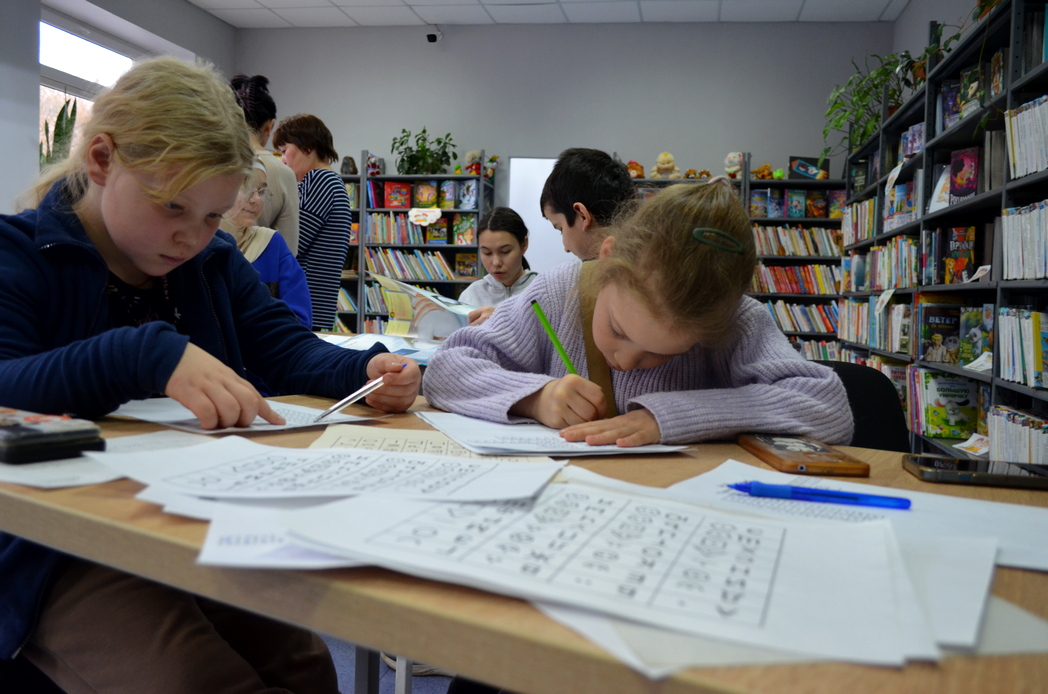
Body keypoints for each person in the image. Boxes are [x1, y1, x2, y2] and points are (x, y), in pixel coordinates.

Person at [0, 57, 421, 694]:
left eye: (212, 215)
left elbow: (285, 349)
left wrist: (365, 367)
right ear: (102, 160)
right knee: (195, 678)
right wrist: (145, 354)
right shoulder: (20, 254)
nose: (191, 237)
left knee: (306, 665)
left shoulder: (212, 258)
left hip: (195, 518)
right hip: (55, 545)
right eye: (173, 206)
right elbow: (8, 387)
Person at [424, 179, 853, 447]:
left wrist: (672, 417)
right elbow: (446, 369)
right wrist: (536, 398)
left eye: (662, 354)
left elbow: (827, 407)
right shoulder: (557, 293)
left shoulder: (735, 320)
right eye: (618, 329)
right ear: (607, 259)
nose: (626, 361)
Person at [272, 114, 352, 332]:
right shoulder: (329, 181)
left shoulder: (319, 180)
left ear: (307, 147)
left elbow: (292, 243)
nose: (283, 160)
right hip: (313, 306)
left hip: (305, 305)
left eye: (284, 151)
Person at [222, 158, 312, 328]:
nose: (256, 199)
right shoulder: (197, 246)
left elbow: (300, 318)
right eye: (246, 188)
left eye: (262, 191)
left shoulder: (271, 243)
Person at [230, 74, 301, 255]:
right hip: (259, 271)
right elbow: (288, 251)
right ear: (269, 126)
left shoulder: (209, 163)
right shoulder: (283, 173)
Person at [539, 147, 635, 260]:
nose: (566, 248)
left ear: (583, 215)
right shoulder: (648, 261)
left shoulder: (570, 272)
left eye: (561, 229)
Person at [458, 206, 538, 326]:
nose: (496, 263)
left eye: (505, 251)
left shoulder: (542, 291)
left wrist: (500, 318)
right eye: (487, 253)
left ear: (524, 245)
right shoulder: (471, 295)